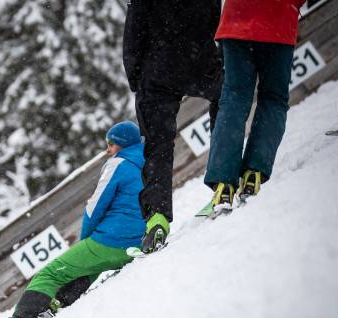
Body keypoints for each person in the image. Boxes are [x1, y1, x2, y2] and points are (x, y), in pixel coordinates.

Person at [0, 122, 145, 318]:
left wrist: (86, 241)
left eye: (111, 143)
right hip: (136, 241)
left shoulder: (118, 164)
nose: (108, 149)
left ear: (122, 144)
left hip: (110, 240)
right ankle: (58, 302)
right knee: (89, 267)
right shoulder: (147, 159)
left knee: (48, 274)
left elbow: (94, 207)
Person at [123, 0, 224, 252]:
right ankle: (226, 178)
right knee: (225, 101)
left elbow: (133, 35)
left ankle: (157, 218)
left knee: (158, 146)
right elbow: (214, 16)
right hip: (199, 58)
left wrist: (137, 79)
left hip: (157, 68)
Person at [200, 0, 307, 216]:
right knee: (273, 99)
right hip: (279, 20)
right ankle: (254, 172)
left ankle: (223, 184)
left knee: (233, 99)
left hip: (237, 19)